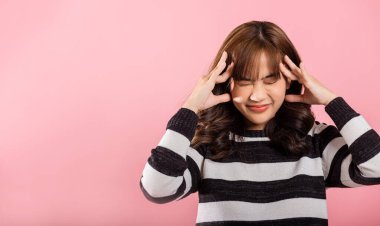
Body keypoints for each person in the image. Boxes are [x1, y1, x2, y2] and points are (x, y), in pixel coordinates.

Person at [139, 20, 380, 225]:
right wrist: (190, 107)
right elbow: (156, 189)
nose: (257, 95)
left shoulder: (316, 141)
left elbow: (376, 167)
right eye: (244, 81)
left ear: (289, 80)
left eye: (270, 80)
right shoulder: (207, 144)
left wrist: (332, 101)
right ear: (225, 82)